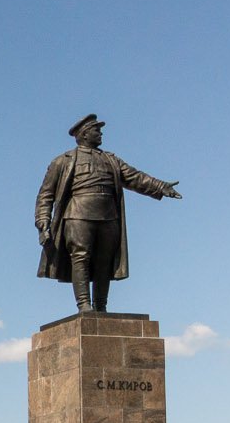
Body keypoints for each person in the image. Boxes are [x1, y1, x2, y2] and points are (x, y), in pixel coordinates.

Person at [35, 115, 181, 314]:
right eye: (97, 130)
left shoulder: (111, 160)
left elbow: (134, 177)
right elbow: (46, 194)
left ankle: (101, 306)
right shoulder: (63, 161)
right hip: (78, 214)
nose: (101, 133)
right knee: (81, 257)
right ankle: (84, 305)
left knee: (104, 261)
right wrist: (43, 221)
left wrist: (160, 186)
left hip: (108, 215)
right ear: (84, 134)